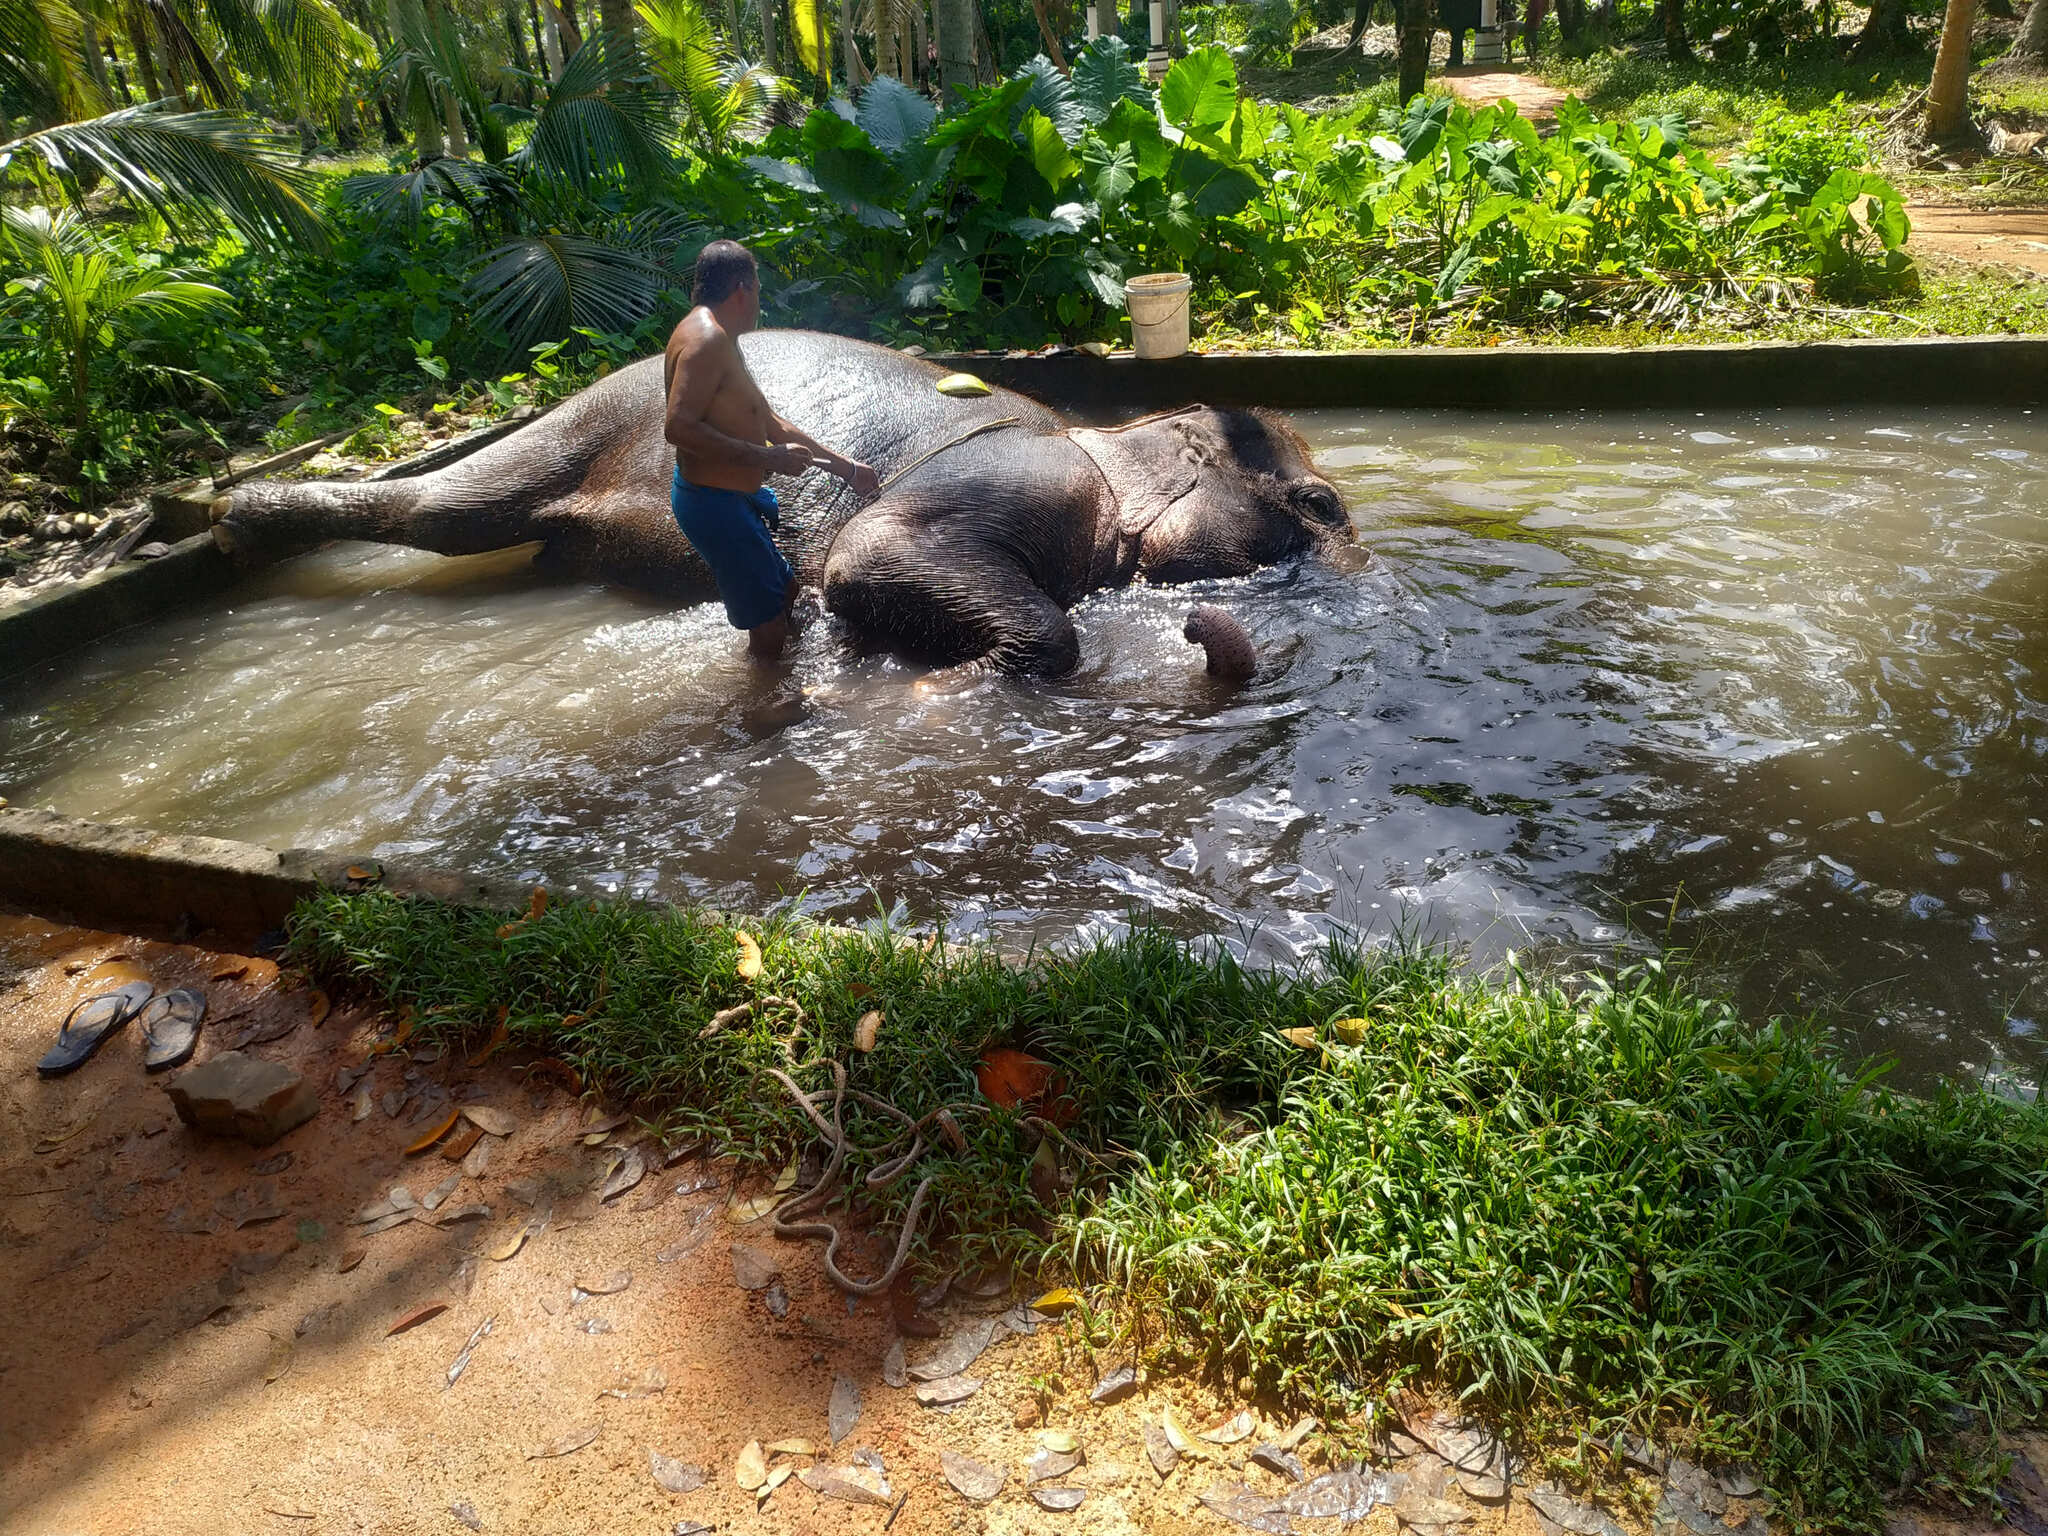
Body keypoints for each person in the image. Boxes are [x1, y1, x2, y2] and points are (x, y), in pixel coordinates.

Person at [663, 240, 879, 660]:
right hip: (714, 504)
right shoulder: (707, 340)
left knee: (787, 591)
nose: (759, 300)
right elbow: (678, 427)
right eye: (759, 289)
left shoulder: (720, 335)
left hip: (734, 498)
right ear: (742, 289)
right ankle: (766, 710)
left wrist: (847, 468)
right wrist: (765, 458)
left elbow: (767, 419)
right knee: (768, 629)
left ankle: (783, 673)